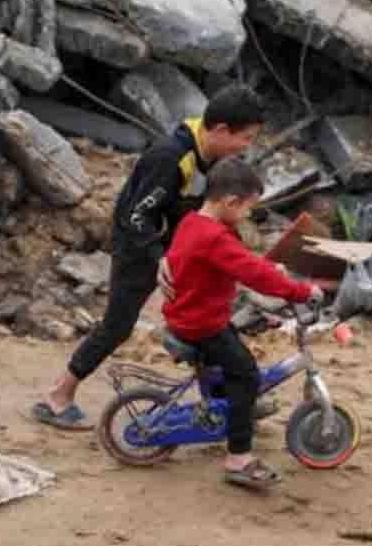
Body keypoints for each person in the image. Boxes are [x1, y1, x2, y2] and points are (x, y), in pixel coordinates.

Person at [31, 85, 275, 430]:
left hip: (178, 245)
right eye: (245, 138)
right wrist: (158, 256)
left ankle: (225, 398)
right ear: (220, 131)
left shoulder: (210, 156)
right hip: (140, 246)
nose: (246, 148)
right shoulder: (170, 158)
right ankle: (58, 395)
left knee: (208, 316)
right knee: (118, 325)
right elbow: (134, 215)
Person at [160, 157, 322, 490]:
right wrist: (301, 291)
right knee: (246, 372)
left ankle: (231, 410)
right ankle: (238, 458)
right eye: (248, 208)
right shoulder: (215, 238)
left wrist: (269, 274)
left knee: (234, 349)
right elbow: (252, 273)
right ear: (231, 202)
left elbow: (242, 263)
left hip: (192, 315)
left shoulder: (193, 222)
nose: (249, 214)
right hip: (200, 324)